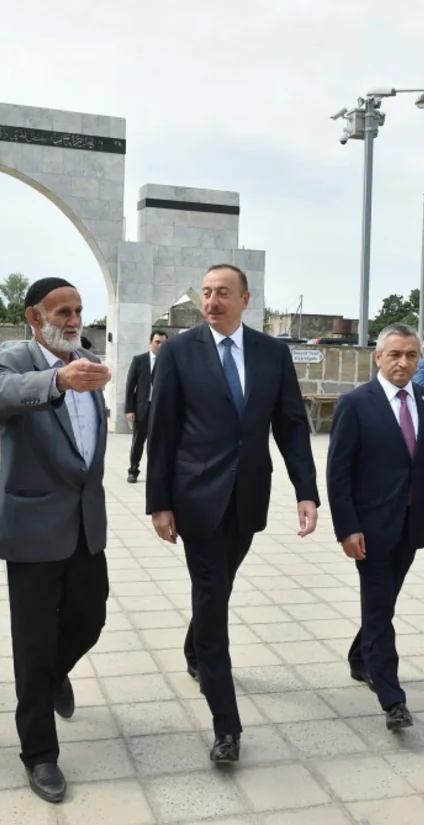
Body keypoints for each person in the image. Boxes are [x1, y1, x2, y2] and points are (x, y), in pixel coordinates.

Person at [146, 263, 319, 763]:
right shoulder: (179, 352)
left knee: (217, 589)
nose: (211, 301)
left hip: (247, 499)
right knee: (212, 598)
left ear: (245, 299)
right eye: (206, 292)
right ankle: (227, 725)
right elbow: (162, 430)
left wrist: (306, 491)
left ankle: (194, 648)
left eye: (223, 292)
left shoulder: (272, 353)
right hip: (197, 498)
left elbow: (291, 425)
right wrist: (159, 502)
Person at [0, 277, 111, 804]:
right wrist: (57, 382)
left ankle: (55, 675)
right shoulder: (16, 359)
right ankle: (39, 755)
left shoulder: (89, 361)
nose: (74, 320)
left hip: (84, 525)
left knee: (90, 618)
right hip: (32, 528)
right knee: (32, 645)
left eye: (78, 310)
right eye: (63, 312)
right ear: (36, 317)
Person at [326, 323, 424, 730]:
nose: (403, 362)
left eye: (411, 355)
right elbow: (338, 473)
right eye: (395, 354)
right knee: (380, 607)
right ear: (378, 357)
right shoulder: (355, 404)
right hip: (370, 527)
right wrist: (347, 527)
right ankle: (392, 699)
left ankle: (360, 657)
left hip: (410, 526)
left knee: (384, 602)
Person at [124, 330, 167, 483]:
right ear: (150, 343)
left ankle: (155, 473)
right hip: (143, 408)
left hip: (161, 408)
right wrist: (129, 409)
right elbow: (130, 386)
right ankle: (133, 471)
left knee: (158, 443)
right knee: (138, 442)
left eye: (164, 343)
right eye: (157, 342)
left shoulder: (170, 361)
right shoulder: (139, 360)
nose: (160, 345)